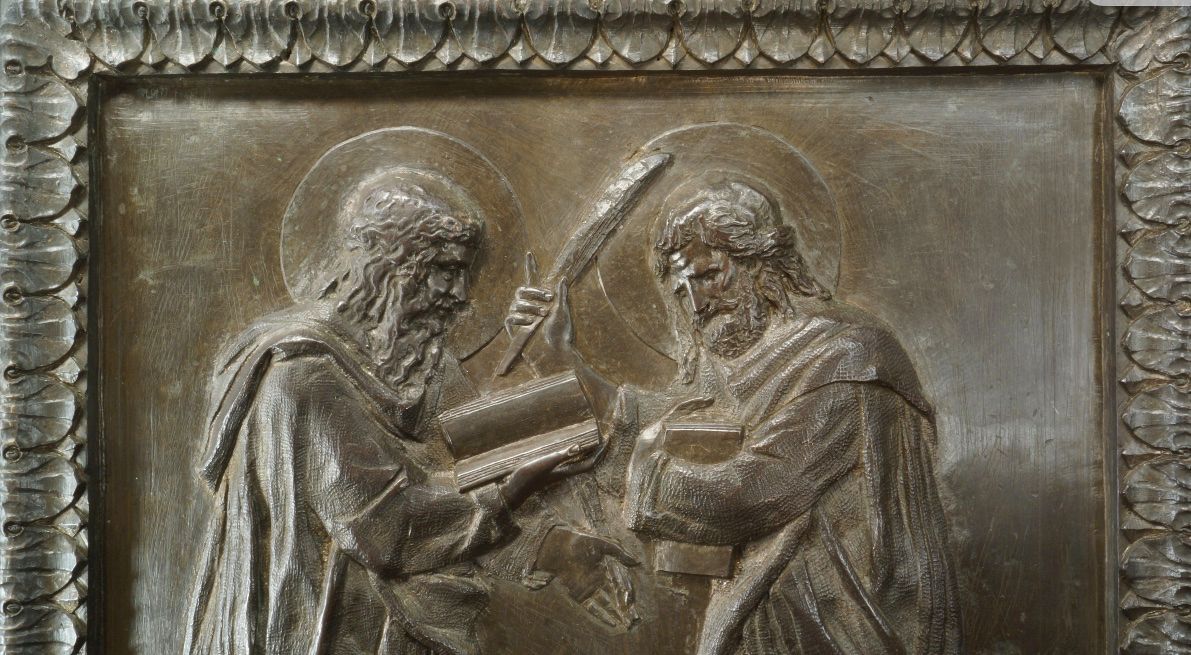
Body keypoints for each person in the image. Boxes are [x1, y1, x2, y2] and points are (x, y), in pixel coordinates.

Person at [511, 177, 962, 654]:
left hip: (838, 629)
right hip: (766, 625)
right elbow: (678, 421)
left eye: (708, 276)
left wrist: (643, 470)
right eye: (683, 290)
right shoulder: (743, 364)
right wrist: (561, 362)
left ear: (761, 261)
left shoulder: (847, 359)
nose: (698, 304)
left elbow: (752, 493)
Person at [184, 168, 591, 655]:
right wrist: (512, 490)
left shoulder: (420, 360)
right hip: (327, 631)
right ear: (389, 265)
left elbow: (477, 451)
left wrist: (558, 544)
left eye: (465, 274)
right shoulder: (301, 374)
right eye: (446, 270)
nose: (461, 294)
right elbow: (387, 529)